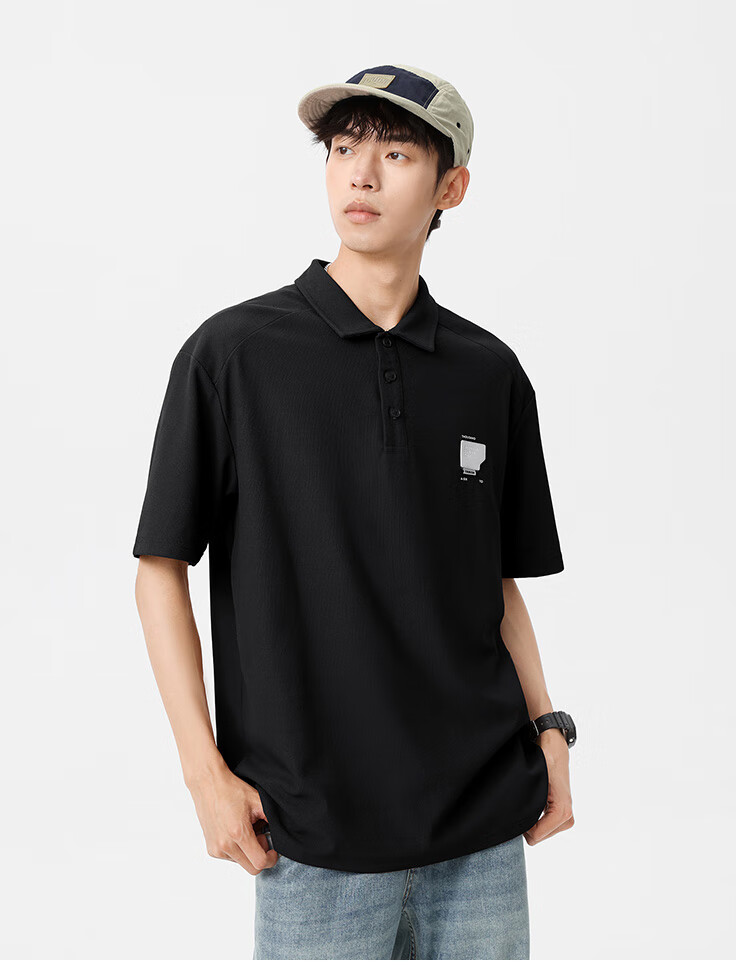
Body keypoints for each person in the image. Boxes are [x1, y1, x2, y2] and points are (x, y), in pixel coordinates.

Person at [133, 62, 576, 960]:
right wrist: (203, 774)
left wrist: (549, 731)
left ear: (451, 187)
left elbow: (493, 584)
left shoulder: (488, 372)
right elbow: (160, 570)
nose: (361, 175)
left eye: (397, 154)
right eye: (343, 150)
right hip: (312, 833)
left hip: (484, 828)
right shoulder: (233, 356)